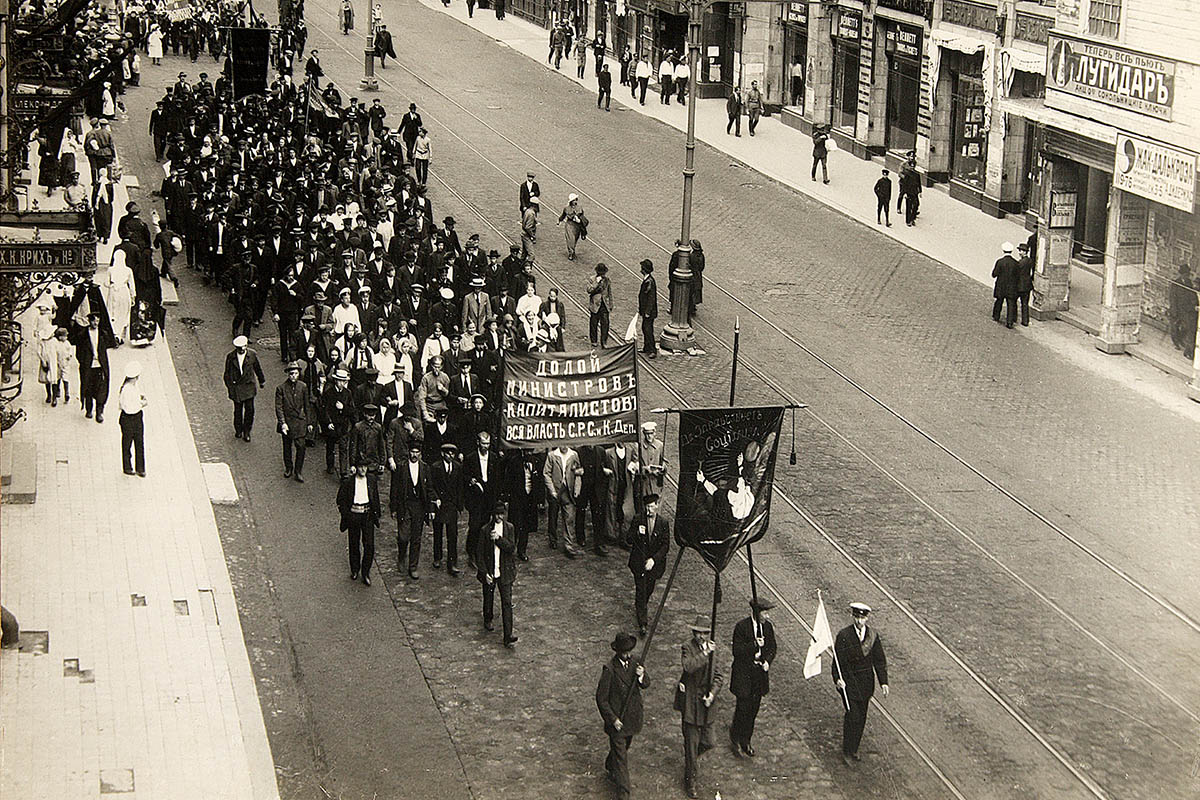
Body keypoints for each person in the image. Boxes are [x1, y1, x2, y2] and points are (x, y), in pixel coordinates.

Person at [832, 602, 889, 766]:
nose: (859, 621)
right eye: (857, 617)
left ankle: (854, 748)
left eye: (862, 618)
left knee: (861, 718)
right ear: (853, 617)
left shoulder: (873, 636)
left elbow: (879, 660)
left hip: (865, 684)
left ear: (867, 618)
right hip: (849, 683)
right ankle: (847, 750)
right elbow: (838, 661)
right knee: (852, 716)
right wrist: (838, 679)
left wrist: (883, 682)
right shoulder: (844, 635)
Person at [595, 632, 648, 800]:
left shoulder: (636, 663)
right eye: (624, 652)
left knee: (623, 749)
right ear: (617, 651)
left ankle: (610, 764)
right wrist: (613, 719)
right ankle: (624, 794)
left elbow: (646, 684)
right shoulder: (610, 670)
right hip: (618, 720)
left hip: (632, 718)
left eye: (629, 651)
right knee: (622, 760)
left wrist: (641, 676)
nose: (627, 655)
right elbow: (601, 699)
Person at [678, 615, 723, 798]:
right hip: (691, 703)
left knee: (709, 741)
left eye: (704, 633)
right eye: (698, 633)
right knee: (691, 744)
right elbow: (688, 667)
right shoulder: (687, 648)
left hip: (707, 705)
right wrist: (705, 654)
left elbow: (719, 676)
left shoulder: (714, 650)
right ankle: (691, 781)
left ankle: (691, 760)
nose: (701, 637)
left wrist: (712, 694)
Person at [729, 597, 777, 757]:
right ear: (757, 613)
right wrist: (755, 645)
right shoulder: (742, 627)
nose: (767, 616)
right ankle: (735, 737)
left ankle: (746, 740)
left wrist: (767, 662)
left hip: (758, 675)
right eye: (765, 613)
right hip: (744, 675)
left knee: (753, 710)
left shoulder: (768, 628)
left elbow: (772, 648)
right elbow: (737, 651)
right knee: (742, 708)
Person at [476, 501, 518, 647]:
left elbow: (512, 548)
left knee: (506, 602)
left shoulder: (509, 528)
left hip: (505, 572)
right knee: (488, 597)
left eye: (502, 514)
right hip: (491, 571)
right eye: (497, 514)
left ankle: (508, 634)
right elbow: (480, 554)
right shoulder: (485, 530)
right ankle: (488, 618)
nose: (499, 517)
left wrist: (499, 540)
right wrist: (484, 572)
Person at [629, 493, 669, 636]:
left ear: (657, 506)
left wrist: (654, 560)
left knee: (648, 589)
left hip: (654, 565)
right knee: (641, 589)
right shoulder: (638, 519)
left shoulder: (663, 523)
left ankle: (641, 606)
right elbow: (629, 539)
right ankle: (643, 623)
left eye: (652, 507)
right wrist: (637, 534)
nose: (649, 510)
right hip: (639, 563)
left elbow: (665, 546)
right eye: (647, 507)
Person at [392, 440, 433, 579]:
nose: (414, 454)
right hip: (405, 505)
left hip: (419, 507)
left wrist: (430, 508)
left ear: (420, 454)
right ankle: (401, 555)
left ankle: (413, 566)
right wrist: (394, 508)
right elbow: (394, 489)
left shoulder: (425, 468)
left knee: (416, 537)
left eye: (417, 452)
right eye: (412, 452)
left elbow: (429, 489)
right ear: (408, 452)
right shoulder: (401, 467)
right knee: (403, 536)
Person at [338, 459, 381, 585]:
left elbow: (375, 497)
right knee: (353, 543)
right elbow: (340, 500)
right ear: (356, 468)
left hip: (367, 515)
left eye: (365, 467)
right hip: (354, 515)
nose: (363, 470)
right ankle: (355, 569)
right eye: (360, 467)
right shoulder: (349, 482)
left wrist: (376, 514)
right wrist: (347, 514)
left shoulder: (372, 480)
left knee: (369, 545)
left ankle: (365, 572)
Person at [464, 430, 499, 569]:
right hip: (476, 497)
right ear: (478, 443)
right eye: (484, 444)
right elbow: (465, 476)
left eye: (488, 444)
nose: (486, 446)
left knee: (486, 525)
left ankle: (482, 552)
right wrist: (472, 481)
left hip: (489, 497)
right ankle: (471, 552)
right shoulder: (471, 458)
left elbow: (497, 479)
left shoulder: (494, 458)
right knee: (474, 525)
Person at [430, 441, 466, 574]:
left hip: (451, 505)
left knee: (452, 534)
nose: (450, 456)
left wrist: (459, 504)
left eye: (452, 453)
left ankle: (452, 562)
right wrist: (435, 499)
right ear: (442, 454)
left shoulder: (457, 467)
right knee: (438, 532)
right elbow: (431, 486)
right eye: (448, 453)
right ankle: (437, 557)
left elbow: (460, 487)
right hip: (440, 504)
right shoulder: (435, 467)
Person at [544, 444, 585, 557]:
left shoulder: (573, 455)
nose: (564, 446)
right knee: (553, 516)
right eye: (561, 443)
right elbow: (546, 474)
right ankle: (553, 539)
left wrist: (577, 488)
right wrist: (552, 490)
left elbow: (579, 472)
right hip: (556, 491)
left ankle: (568, 544)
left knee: (569, 517)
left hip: (568, 491)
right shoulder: (552, 455)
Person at [276, 360, 314, 482]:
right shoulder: (281, 388)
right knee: (287, 446)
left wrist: (309, 422)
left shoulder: (303, 387)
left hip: (300, 422)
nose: (293, 376)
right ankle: (289, 468)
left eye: (296, 373)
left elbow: (307, 405)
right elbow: (279, 407)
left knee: (301, 446)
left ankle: (298, 471)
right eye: (291, 373)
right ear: (288, 374)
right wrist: (283, 423)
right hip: (287, 422)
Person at [223, 335, 267, 442]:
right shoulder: (231, 357)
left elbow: (257, 368)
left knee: (250, 410)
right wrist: (230, 387)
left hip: (248, 387)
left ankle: (247, 431)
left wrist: (262, 380)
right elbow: (227, 374)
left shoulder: (252, 355)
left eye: (243, 348)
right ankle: (238, 429)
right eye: (239, 348)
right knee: (238, 411)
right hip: (237, 388)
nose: (242, 350)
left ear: (246, 346)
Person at [72, 311, 113, 422]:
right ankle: (89, 410)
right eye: (94, 320)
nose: (96, 323)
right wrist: (84, 361)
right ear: (89, 321)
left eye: (98, 321)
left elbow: (108, 346)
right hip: (88, 367)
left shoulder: (103, 334)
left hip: (100, 367)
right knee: (88, 389)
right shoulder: (83, 335)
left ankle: (99, 412)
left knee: (101, 390)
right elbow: (78, 352)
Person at [118, 361, 148, 477]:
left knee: (139, 442)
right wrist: (142, 404)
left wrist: (141, 397)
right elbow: (129, 408)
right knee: (127, 443)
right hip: (129, 418)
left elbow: (138, 394)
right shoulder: (126, 390)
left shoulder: (133, 386)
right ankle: (128, 467)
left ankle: (140, 468)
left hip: (136, 417)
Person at [992, 242, 1020, 329]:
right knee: (1010, 303)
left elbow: (994, 274)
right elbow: (1018, 276)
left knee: (999, 301)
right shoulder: (1015, 263)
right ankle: (1009, 322)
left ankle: (996, 316)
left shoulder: (1000, 262)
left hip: (1001, 286)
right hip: (1011, 287)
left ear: (1003, 250)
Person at [587, 262, 613, 346]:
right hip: (595, 305)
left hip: (604, 305)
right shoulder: (592, 279)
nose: (602, 275)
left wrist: (611, 304)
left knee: (605, 324)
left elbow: (609, 292)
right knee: (593, 323)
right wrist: (596, 283)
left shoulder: (607, 280)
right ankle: (594, 340)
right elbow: (589, 290)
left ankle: (604, 341)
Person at [638, 260, 657, 358]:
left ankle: (652, 349)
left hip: (649, 312)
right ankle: (646, 347)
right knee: (645, 328)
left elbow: (651, 298)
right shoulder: (647, 280)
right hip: (645, 310)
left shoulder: (649, 281)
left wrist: (648, 311)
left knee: (648, 329)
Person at [558, 194, 587, 261]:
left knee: (575, 239)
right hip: (570, 224)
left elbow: (582, 217)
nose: (575, 201)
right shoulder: (566, 208)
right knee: (570, 239)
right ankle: (571, 252)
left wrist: (580, 221)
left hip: (577, 225)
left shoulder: (580, 207)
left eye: (576, 199)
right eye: (574, 200)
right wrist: (559, 220)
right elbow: (563, 215)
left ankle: (573, 249)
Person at [898, 154, 921, 226]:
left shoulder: (917, 174)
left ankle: (913, 218)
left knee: (916, 204)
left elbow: (919, 183)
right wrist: (905, 192)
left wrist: (920, 191)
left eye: (913, 166)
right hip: (907, 189)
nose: (912, 168)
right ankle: (908, 220)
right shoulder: (905, 168)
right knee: (908, 205)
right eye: (911, 166)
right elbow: (900, 174)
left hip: (914, 191)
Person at [1016, 241, 1035, 327]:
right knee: (1025, 303)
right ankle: (1025, 320)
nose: (1020, 252)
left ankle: (1013, 318)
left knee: (1014, 301)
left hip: (1020, 285)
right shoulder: (1030, 261)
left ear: (1024, 252)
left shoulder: (1020, 263)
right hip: (1027, 285)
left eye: (1021, 251)